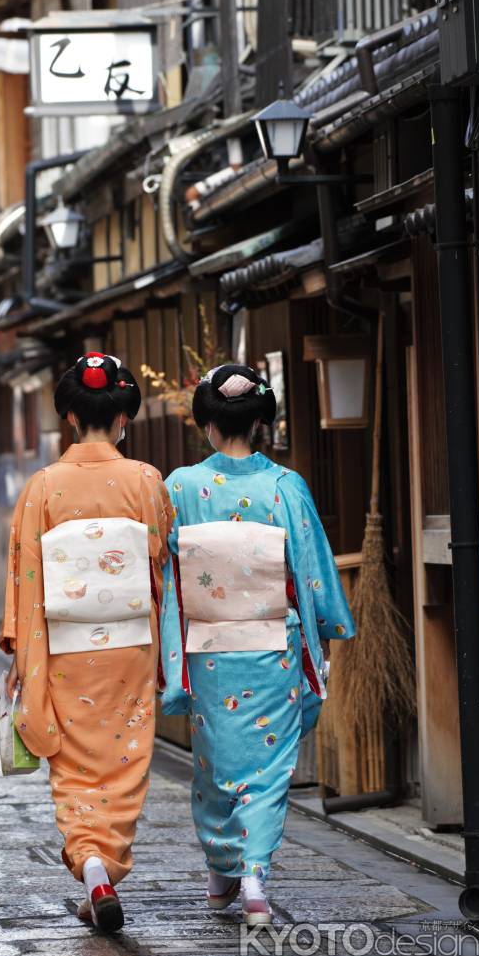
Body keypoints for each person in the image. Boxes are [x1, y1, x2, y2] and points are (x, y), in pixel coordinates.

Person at [159, 363, 354, 925]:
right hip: (274, 645)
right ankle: (252, 879)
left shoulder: (181, 487)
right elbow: (311, 568)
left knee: (215, 762)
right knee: (267, 766)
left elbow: (163, 567)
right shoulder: (284, 486)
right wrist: (329, 624)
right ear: (261, 421)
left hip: (211, 647)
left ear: (206, 424)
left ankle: (223, 870)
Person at [0, 353, 171, 933]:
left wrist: (22, 657)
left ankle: (91, 863)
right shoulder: (146, 480)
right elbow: (159, 559)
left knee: (72, 762)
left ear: (70, 416)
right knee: (123, 757)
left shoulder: (43, 487)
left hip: (65, 647)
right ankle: (107, 859)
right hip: (129, 644)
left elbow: (25, 577)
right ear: (124, 416)